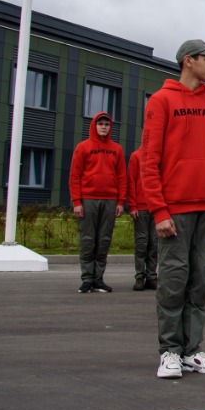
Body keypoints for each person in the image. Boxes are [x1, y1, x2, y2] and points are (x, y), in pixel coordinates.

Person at [142, 39, 205, 378]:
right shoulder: (161, 101)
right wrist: (159, 210)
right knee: (173, 279)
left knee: (200, 280)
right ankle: (170, 350)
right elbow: (149, 161)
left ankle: (192, 350)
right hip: (175, 209)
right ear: (187, 61)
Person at [69, 111, 126, 294]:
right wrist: (77, 202)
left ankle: (98, 279)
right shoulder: (83, 147)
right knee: (88, 240)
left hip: (109, 200)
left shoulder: (116, 149)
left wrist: (120, 202)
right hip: (88, 200)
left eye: (107, 124)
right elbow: (74, 176)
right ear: (94, 126)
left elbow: (121, 177)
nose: (103, 127)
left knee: (103, 240)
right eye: (100, 124)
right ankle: (86, 279)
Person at [126, 145, 157, 291]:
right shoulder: (136, 156)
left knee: (155, 243)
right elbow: (131, 181)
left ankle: (152, 276)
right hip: (141, 208)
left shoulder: (158, 156)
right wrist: (132, 205)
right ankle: (139, 276)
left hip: (155, 207)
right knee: (141, 243)